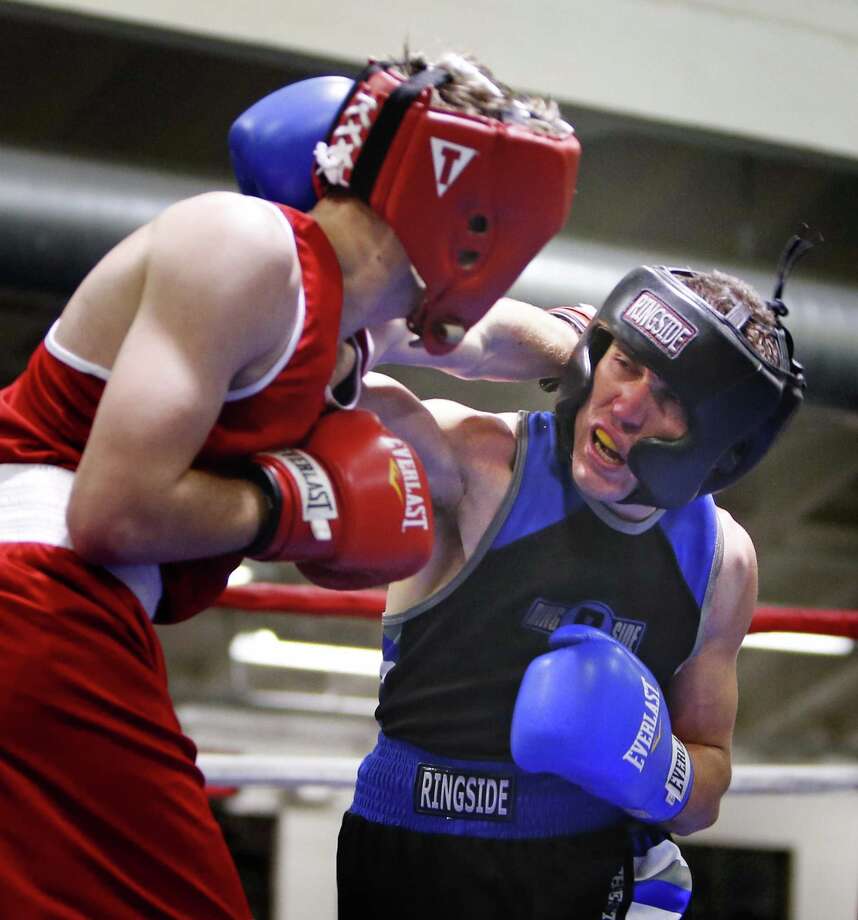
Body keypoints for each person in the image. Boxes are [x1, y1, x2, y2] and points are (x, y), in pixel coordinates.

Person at [0, 53, 580, 917]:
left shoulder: (351, 320)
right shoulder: (245, 250)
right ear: (472, 209)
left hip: (80, 615)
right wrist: (295, 503)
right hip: (36, 598)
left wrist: (603, 354)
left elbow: (492, 342)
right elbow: (112, 515)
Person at [336, 252, 808, 919]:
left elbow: (708, 783)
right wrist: (563, 340)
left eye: (671, 398)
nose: (628, 407)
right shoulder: (474, 465)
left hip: (585, 862)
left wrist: (659, 773)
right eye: (627, 363)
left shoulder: (721, 559)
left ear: (721, 448)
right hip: (419, 850)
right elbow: (332, 361)